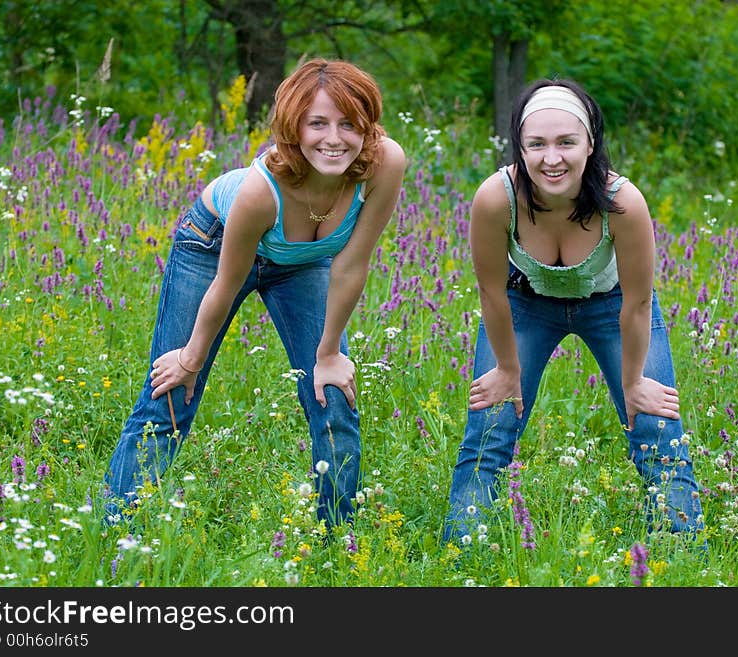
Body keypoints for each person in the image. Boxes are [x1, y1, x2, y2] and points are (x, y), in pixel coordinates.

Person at [102, 58, 406, 531]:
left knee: (334, 395)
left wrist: (328, 353)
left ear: (368, 124)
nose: (334, 138)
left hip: (303, 261)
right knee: (171, 393)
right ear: (292, 127)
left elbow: (352, 262)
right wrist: (191, 358)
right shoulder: (258, 191)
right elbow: (225, 283)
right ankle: (112, 533)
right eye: (317, 123)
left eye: (350, 123)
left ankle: (339, 547)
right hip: (212, 245)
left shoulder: (384, 164)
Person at [443, 79, 705, 546]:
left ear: (590, 144)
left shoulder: (622, 202)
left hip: (613, 305)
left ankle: (682, 555)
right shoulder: (496, 198)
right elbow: (491, 292)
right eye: (536, 144)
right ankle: (460, 556)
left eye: (566, 142)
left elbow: (638, 302)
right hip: (524, 303)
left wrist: (632, 382)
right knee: (490, 429)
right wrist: (507, 370)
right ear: (519, 149)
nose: (552, 158)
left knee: (656, 427)